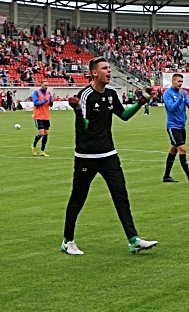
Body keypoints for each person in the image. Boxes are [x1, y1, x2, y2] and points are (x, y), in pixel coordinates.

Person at [60, 58, 157, 256]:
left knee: (121, 194)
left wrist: (142, 101)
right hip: (86, 156)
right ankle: (67, 240)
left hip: (109, 154)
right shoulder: (86, 95)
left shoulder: (111, 94)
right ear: (94, 73)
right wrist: (78, 112)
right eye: (105, 68)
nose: (109, 71)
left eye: (109, 68)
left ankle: (133, 240)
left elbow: (124, 115)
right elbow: (83, 127)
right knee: (78, 198)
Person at [162, 73, 189, 185]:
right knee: (182, 149)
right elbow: (170, 108)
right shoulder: (168, 93)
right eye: (178, 81)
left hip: (182, 126)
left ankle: (166, 176)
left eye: (181, 82)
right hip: (173, 126)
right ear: (173, 81)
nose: (180, 84)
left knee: (173, 150)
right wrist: (179, 99)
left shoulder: (183, 92)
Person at [31, 78, 52, 157]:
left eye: (47, 85)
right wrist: (45, 100)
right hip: (39, 116)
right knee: (41, 133)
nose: (46, 86)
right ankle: (33, 146)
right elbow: (36, 103)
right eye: (45, 85)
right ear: (41, 85)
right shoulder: (36, 92)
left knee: (46, 133)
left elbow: (50, 104)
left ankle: (42, 151)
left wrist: (51, 101)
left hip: (46, 116)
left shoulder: (48, 93)